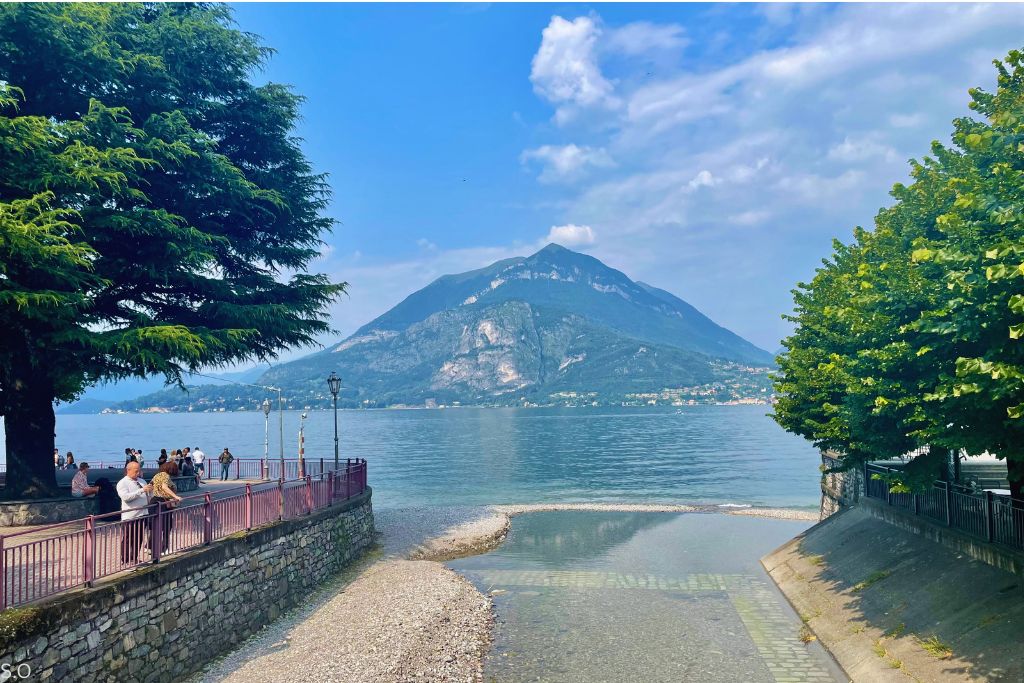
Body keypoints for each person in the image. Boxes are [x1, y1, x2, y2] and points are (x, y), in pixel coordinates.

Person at [117, 462, 153, 564]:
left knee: (139, 538)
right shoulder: (122, 483)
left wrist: (150, 492)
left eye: (139, 471)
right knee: (129, 539)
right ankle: (126, 559)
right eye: (136, 471)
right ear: (128, 470)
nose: (138, 473)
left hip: (143, 514)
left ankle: (134, 557)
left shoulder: (142, 481)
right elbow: (126, 497)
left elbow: (147, 496)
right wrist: (141, 491)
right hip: (130, 516)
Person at [149, 469, 182, 554]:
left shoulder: (157, 475)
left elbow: (150, 485)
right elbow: (164, 487)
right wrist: (175, 496)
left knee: (156, 525)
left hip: (154, 501)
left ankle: (150, 546)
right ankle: (164, 548)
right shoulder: (166, 476)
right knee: (167, 525)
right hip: (163, 502)